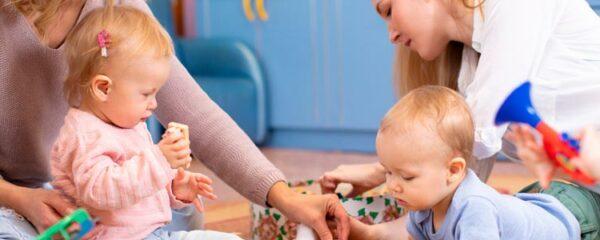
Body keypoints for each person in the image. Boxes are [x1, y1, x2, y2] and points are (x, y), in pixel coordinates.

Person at [0, 0, 348, 239]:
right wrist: (18, 198)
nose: (153, 103)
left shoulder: (115, 11)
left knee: (183, 211)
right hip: (11, 195)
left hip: (73, 199)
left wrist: (285, 197)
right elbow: (102, 186)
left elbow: (198, 115)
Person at [322, 0, 600, 236]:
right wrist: (373, 231)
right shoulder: (472, 68)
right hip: (583, 194)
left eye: (389, 10)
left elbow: (479, 136)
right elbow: (453, 188)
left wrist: (384, 170)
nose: (391, 35)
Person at [48, 6, 242, 239]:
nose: (154, 104)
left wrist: (173, 190)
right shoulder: (85, 134)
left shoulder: (126, 123)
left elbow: (138, 191)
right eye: (146, 94)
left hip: (150, 232)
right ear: (103, 88)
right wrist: (160, 160)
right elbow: (101, 191)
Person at [349, 85, 587, 239]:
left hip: (576, 222)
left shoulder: (474, 208)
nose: (392, 186)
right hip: (533, 202)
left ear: (453, 170)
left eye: (407, 176)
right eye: (388, 172)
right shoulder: (420, 205)